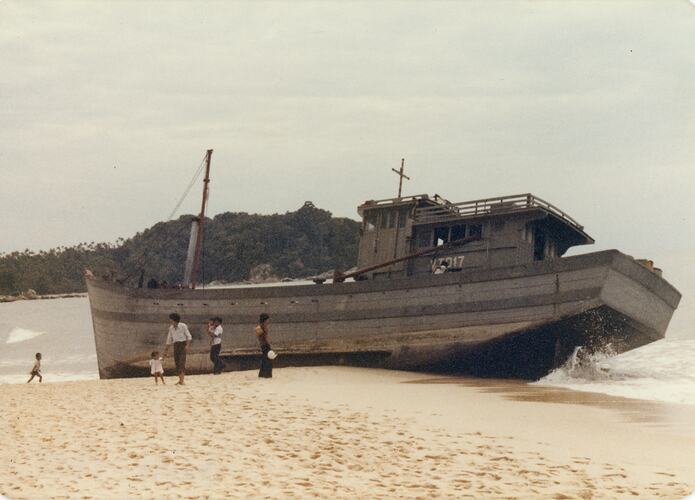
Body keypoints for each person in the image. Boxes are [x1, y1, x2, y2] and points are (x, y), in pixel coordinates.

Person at [163, 312, 192, 385]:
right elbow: (169, 340)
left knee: (182, 362)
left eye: (171, 320)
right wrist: (165, 351)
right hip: (175, 345)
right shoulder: (171, 328)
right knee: (177, 363)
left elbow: (189, 336)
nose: (170, 321)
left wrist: (187, 345)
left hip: (182, 344)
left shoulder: (183, 326)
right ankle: (180, 380)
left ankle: (182, 381)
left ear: (174, 320)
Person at [255, 313, 273, 378]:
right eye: (267, 319)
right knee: (269, 359)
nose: (268, 321)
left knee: (264, 359)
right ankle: (267, 374)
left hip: (262, 345)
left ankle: (262, 374)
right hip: (266, 345)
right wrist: (269, 345)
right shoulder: (264, 327)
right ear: (265, 320)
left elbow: (259, 337)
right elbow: (265, 338)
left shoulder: (259, 327)